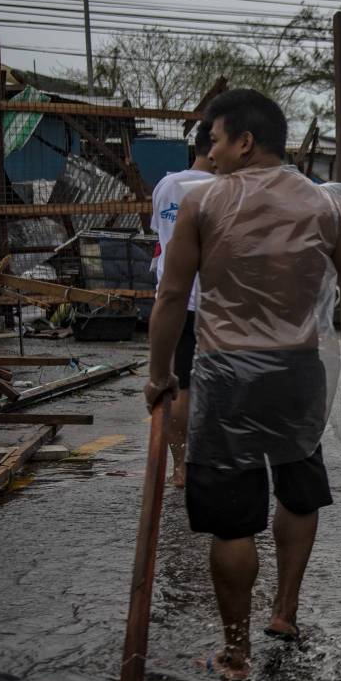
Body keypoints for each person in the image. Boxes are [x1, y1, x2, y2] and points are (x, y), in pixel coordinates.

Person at [145, 88, 341, 680]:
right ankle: (285, 611)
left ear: (245, 141)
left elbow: (172, 297)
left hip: (227, 373)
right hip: (297, 370)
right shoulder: (324, 207)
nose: (212, 152)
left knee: (232, 519)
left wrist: (159, 375)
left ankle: (236, 647)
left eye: (216, 139)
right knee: (298, 489)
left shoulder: (204, 204)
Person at [150, 124, 216, 489]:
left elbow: (160, 238)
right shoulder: (221, 189)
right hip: (214, 298)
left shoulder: (166, 185)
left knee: (181, 382)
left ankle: (181, 465)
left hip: (174, 298)